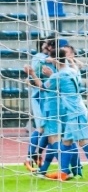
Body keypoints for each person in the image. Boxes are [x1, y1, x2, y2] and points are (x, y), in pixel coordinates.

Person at [38, 47, 88, 182]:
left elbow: (43, 87)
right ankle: (63, 173)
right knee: (66, 141)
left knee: (82, 141)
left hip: (75, 112)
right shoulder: (73, 71)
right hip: (76, 109)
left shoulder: (58, 76)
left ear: (55, 60)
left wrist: (44, 75)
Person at [23, 37, 56, 171]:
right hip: (41, 97)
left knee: (49, 131)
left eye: (49, 45)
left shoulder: (56, 59)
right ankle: (29, 158)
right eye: (45, 44)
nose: (47, 47)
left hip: (51, 97)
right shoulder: (39, 57)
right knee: (43, 128)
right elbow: (35, 72)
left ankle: (35, 156)